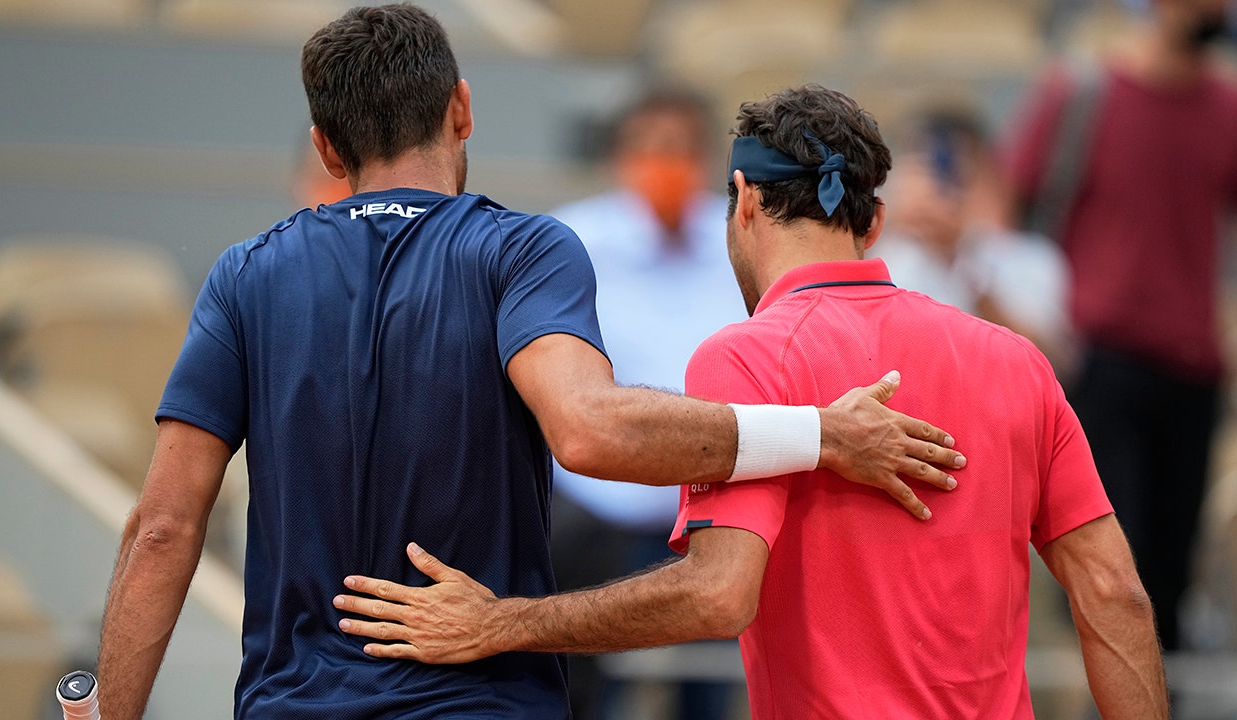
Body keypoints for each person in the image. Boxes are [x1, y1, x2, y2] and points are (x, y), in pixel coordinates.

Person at [92, 8, 964, 720]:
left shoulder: (244, 274)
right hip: (483, 705)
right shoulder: (522, 251)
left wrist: (107, 713)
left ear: (325, 148)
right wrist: (820, 435)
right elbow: (588, 431)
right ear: (462, 110)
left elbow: (163, 528)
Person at [335, 84, 1168, 719]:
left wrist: (502, 623)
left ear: (743, 201)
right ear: (874, 222)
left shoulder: (747, 356)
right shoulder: (1017, 361)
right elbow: (1115, 592)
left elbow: (716, 595)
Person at [1003, 0, 1237, 652]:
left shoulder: (1225, 110)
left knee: (1170, 573)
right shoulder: (1082, 95)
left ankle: (1157, 693)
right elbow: (1006, 208)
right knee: (1109, 568)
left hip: (1193, 368)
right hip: (1100, 362)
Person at [545, 86, 747, 720]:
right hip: (602, 510)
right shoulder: (571, 239)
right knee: (592, 686)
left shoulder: (735, 241)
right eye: (654, 148)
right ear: (621, 156)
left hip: (714, 507)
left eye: (683, 149)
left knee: (707, 688)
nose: (668, 163)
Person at [875, 104, 1073, 375]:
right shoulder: (885, 256)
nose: (936, 188)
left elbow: (1050, 362)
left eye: (948, 171)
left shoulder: (1030, 258)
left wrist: (959, 258)